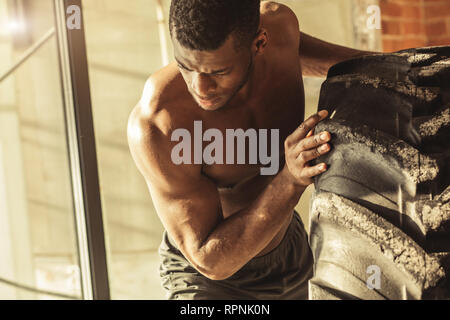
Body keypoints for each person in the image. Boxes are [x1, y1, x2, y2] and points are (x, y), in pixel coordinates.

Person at [127, 0, 374, 300]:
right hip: (212, 284)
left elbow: (320, 58)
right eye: (186, 66)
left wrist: (405, 65)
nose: (200, 88)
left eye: (218, 71)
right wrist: (290, 180)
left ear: (259, 43)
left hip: (289, 249)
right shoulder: (160, 124)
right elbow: (210, 260)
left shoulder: (279, 29)